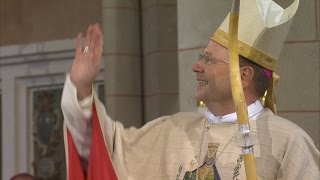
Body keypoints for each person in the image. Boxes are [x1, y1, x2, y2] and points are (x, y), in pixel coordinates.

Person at [61, 0, 319, 179]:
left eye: (208, 60)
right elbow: (105, 149)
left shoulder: (287, 142)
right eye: (200, 57)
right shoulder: (170, 131)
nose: (196, 66)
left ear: (244, 76)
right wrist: (82, 87)